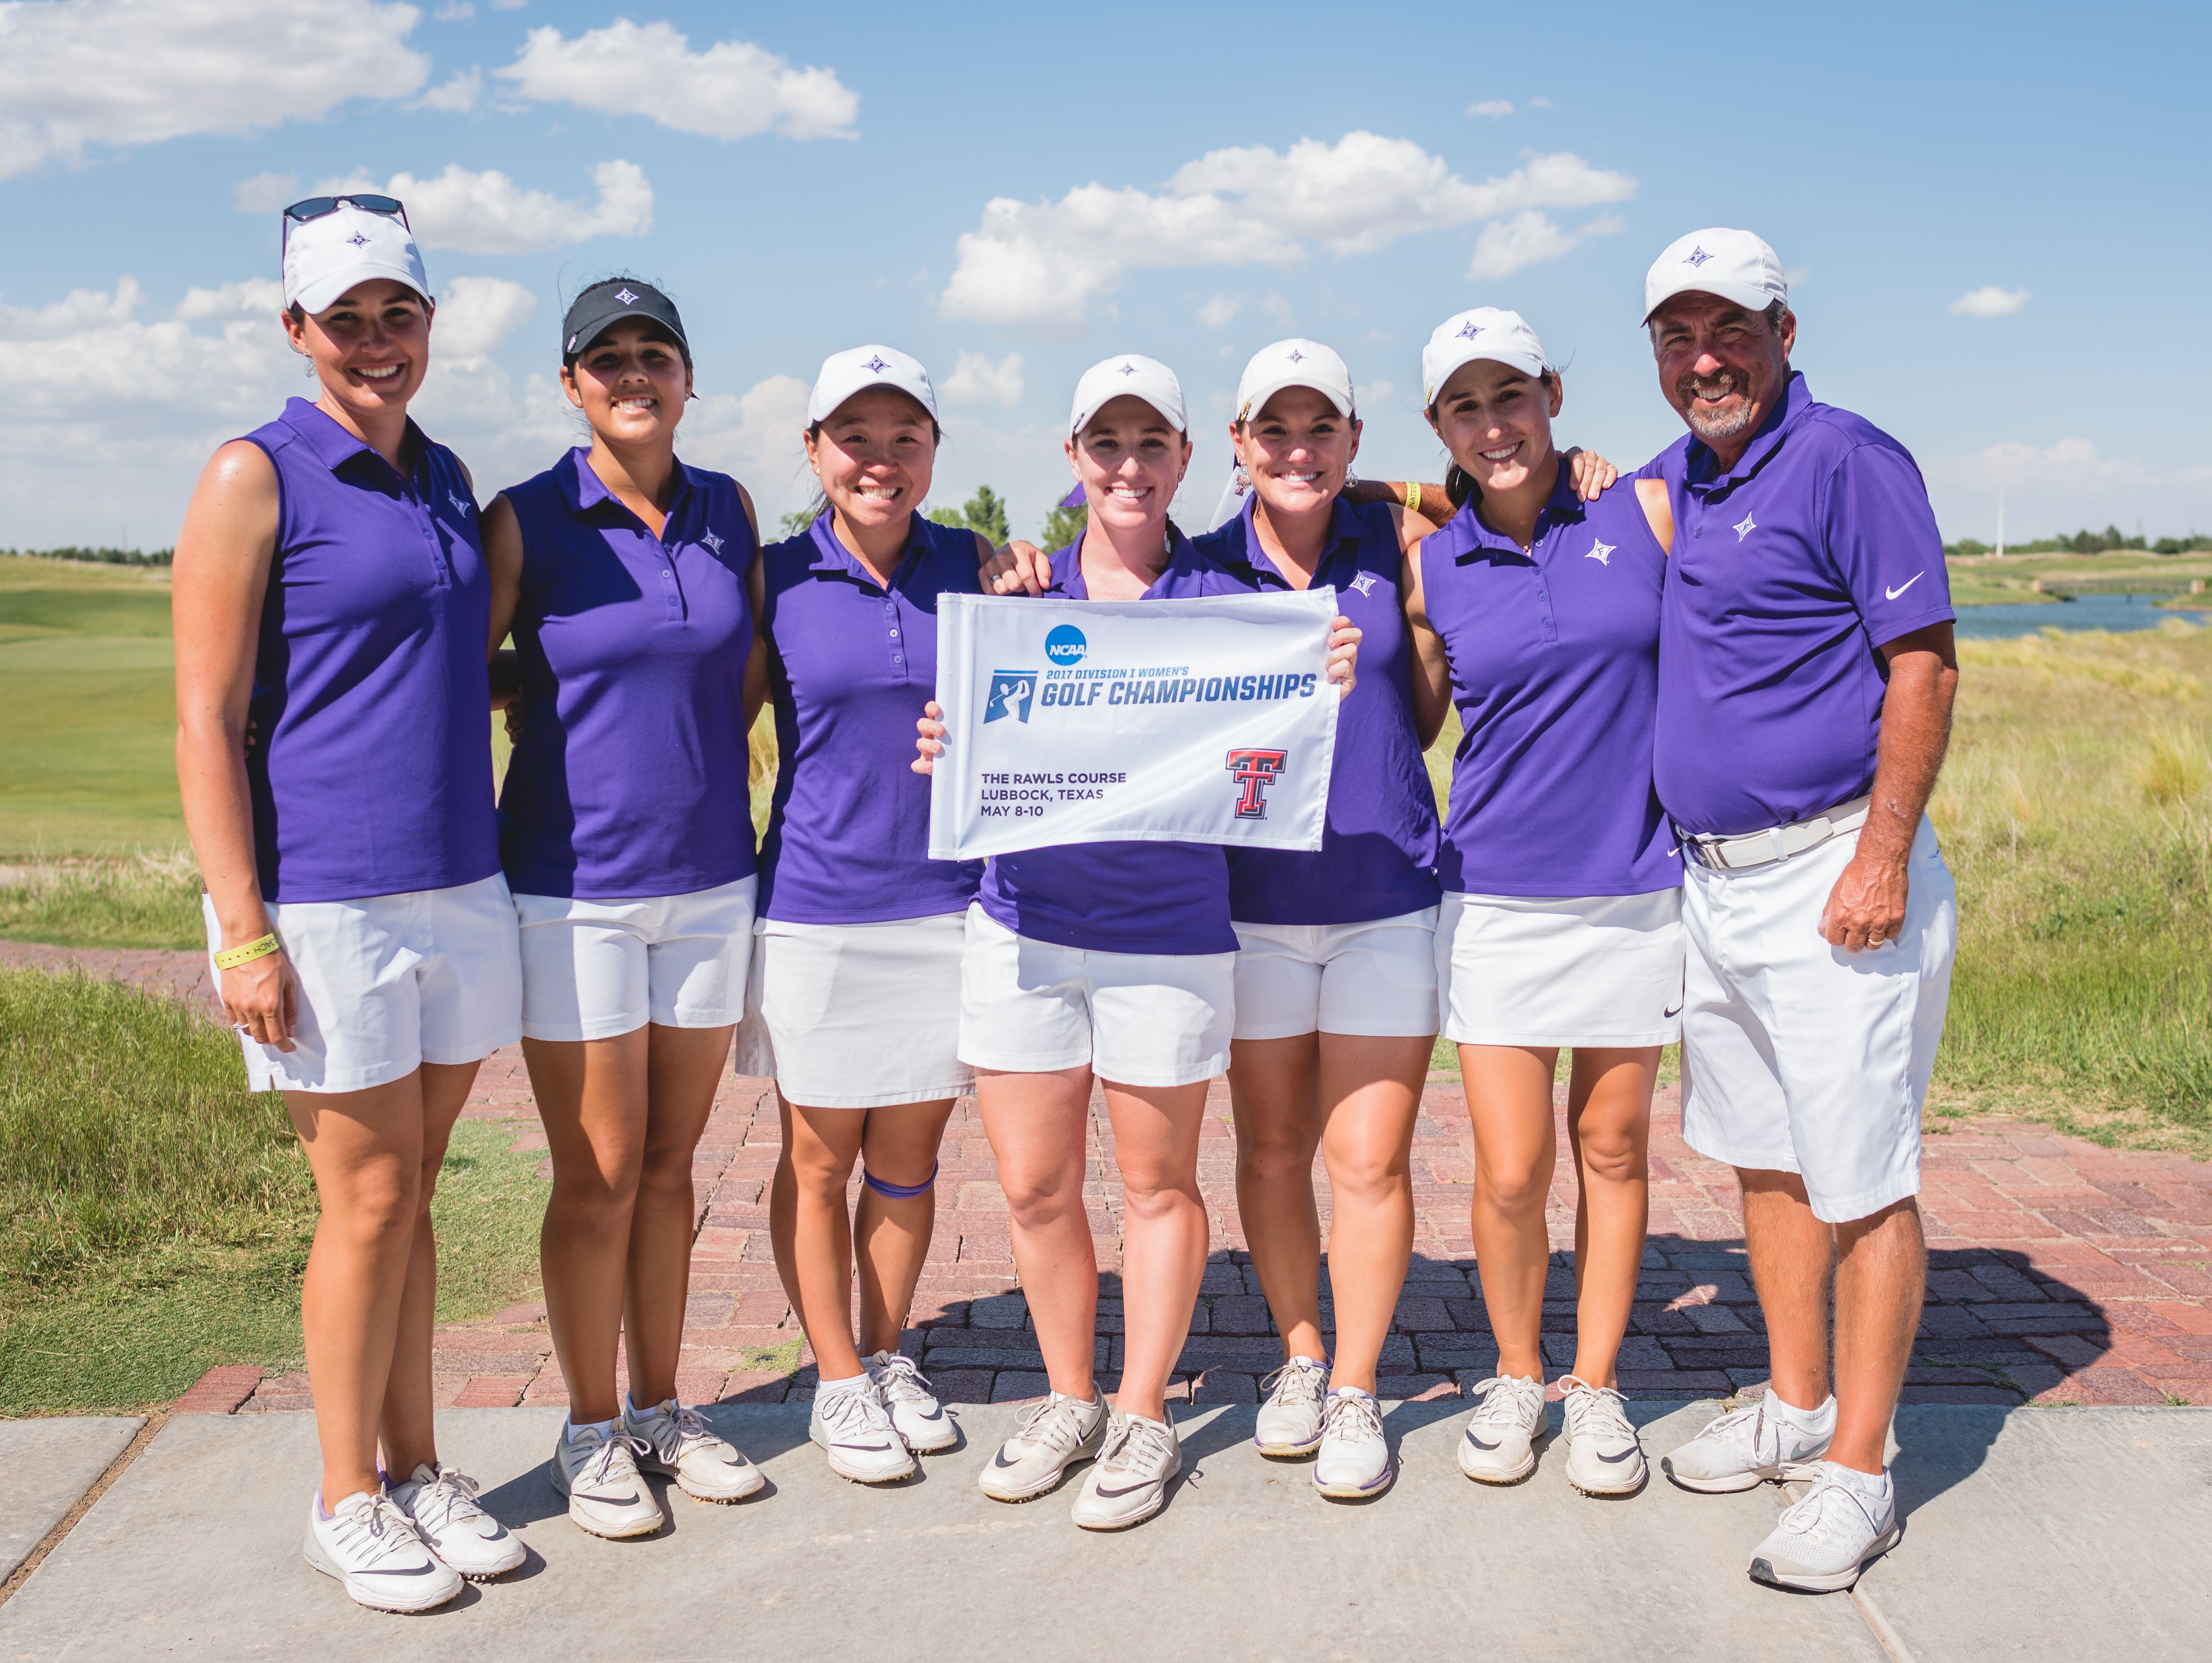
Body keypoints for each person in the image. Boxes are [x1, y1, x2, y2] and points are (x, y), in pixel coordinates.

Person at [917, 355, 1359, 1530]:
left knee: (1160, 1188)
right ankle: (1068, 1397)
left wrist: (1318, 676)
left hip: (1168, 938)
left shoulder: (1232, 599)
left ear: (1184, 458)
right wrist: (946, 742)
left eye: (1149, 445)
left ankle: (1144, 1411)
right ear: (1073, 460)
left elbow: (1349, 503)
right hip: (1023, 928)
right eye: (1105, 445)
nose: (1128, 466)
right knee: (1036, 1186)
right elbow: (963, 732)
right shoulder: (1015, 597)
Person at [173, 196, 523, 1612]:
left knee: (414, 1196)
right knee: (365, 1200)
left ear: (428, 323)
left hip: (458, 874)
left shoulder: (443, 475)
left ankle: (420, 1460)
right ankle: (345, 1492)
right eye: (348, 319)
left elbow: (444, 673)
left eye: (401, 315)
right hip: (323, 896)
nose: (376, 342)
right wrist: (240, 922)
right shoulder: (253, 473)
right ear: (297, 329)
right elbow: (206, 717)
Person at [1636, 230, 1958, 1593]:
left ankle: (1857, 1472)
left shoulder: (1847, 459)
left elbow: (1923, 668)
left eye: (1728, 331)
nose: (1703, 358)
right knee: (1765, 1156)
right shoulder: (1686, 476)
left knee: (1862, 1174)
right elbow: (1520, 483)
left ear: (1780, 328)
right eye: (1676, 337)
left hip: (1835, 873)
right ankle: (1795, 1399)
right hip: (1715, 883)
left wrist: (1880, 852)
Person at [483, 278, 767, 1538]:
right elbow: (464, 671)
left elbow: (745, 671)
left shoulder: (728, 511)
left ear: (688, 377)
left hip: (709, 880)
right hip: (574, 889)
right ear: (570, 385)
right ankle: (587, 1427)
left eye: (655, 352)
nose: (632, 372)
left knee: (668, 1163)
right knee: (595, 1172)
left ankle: (658, 1403)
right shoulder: (525, 520)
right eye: (606, 358)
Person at [1406, 308, 1682, 1499]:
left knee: (1612, 1149)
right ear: (1440, 430)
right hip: (1499, 896)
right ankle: (1518, 1375)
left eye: (1509, 397)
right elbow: (1414, 722)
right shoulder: (1428, 562)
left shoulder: (1646, 509)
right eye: (1465, 407)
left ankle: (1599, 1382)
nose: (1492, 424)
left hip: (1634, 886)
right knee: (1513, 1168)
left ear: (1554, 394)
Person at [748, 345, 993, 1485]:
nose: (881, 460)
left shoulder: (981, 567)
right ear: (815, 452)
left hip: (948, 902)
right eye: (855, 437)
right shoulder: (776, 579)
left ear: (933, 451)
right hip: (817, 904)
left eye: (906, 437)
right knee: (817, 1157)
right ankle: (838, 1380)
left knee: (909, 1153)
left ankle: (888, 1352)